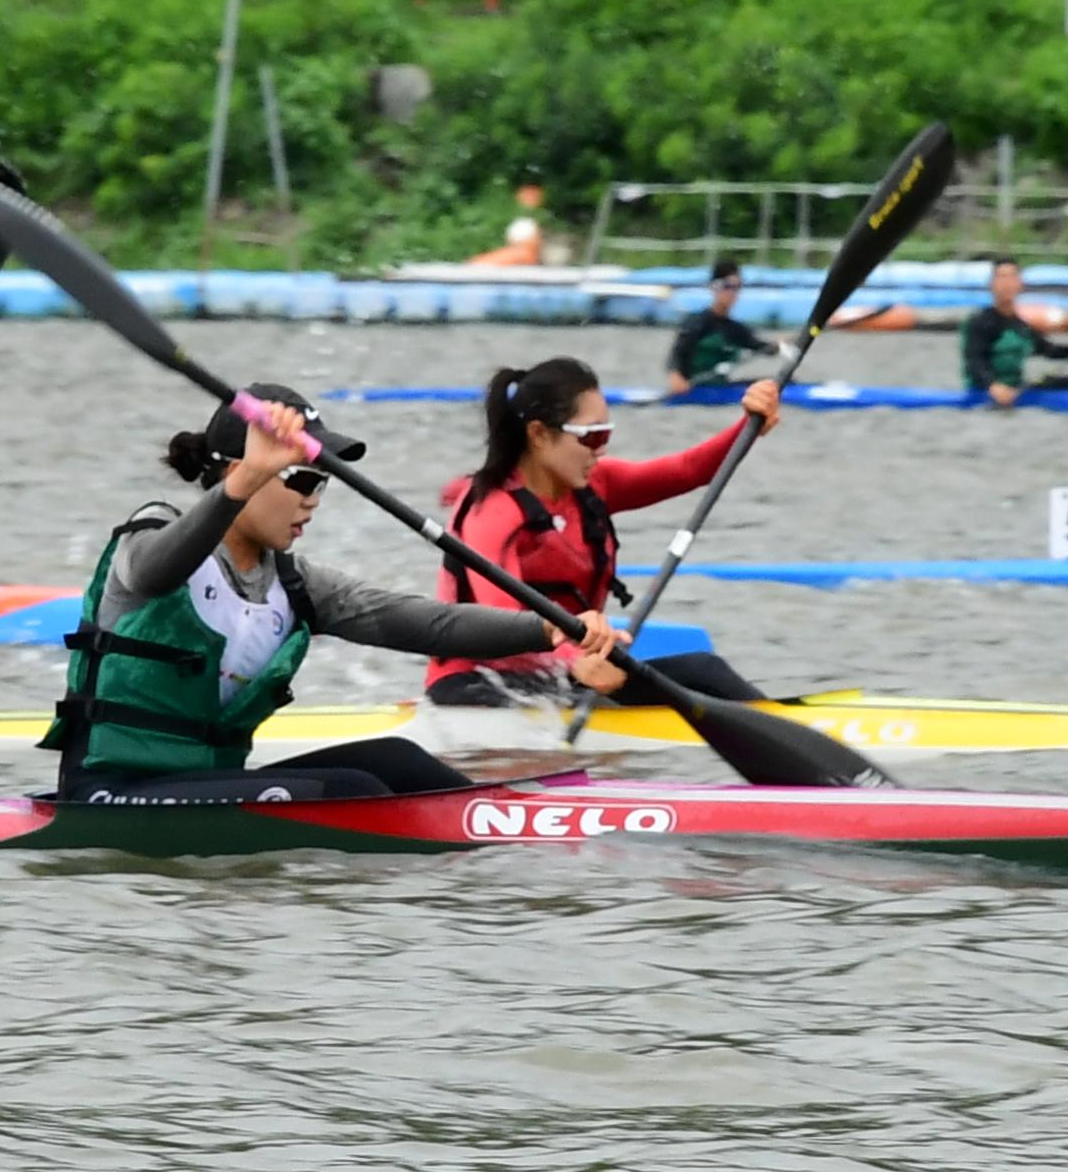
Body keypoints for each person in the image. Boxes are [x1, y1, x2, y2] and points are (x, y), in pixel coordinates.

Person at [44, 383, 626, 802]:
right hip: (112, 789)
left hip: (198, 784)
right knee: (351, 790)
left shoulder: (294, 584)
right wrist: (243, 484)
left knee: (398, 762)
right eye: (299, 478)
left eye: (321, 482)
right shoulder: (154, 529)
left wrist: (553, 628)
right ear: (233, 471)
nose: (313, 498)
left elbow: (430, 625)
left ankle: (501, 840)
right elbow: (150, 573)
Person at [426, 357, 781, 707]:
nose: (602, 448)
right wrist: (573, 660)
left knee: (705, 670)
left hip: (571, 671)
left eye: (606, 434)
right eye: (592, 436)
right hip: (477, 680)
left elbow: (689, 470)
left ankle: (791, 731)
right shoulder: (492, 512)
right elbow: (502, 624)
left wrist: (748, 426)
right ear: (538, 434)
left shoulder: (595, 484)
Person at [962, 259, 1068, 405]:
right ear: (992, 285)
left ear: (1020, 285)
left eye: (1012, 277)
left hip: (1016, 390)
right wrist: (993, 387)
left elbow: (1050, 351)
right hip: (984, 392)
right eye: (1002, 277)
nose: (1007, 283)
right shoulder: (980, 322)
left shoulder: (1021, 326)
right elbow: (975, 361)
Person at [665, 260, 784, 392]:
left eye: (737, 287)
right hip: (690, 388)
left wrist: (781, 345)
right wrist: (676, 377)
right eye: (728, 287)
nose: (733, 293)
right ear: (714, 288)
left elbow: (763, 348)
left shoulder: (735, 329)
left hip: (721, 388)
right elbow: (675, 356)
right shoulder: (695, 322)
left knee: (783, 382)